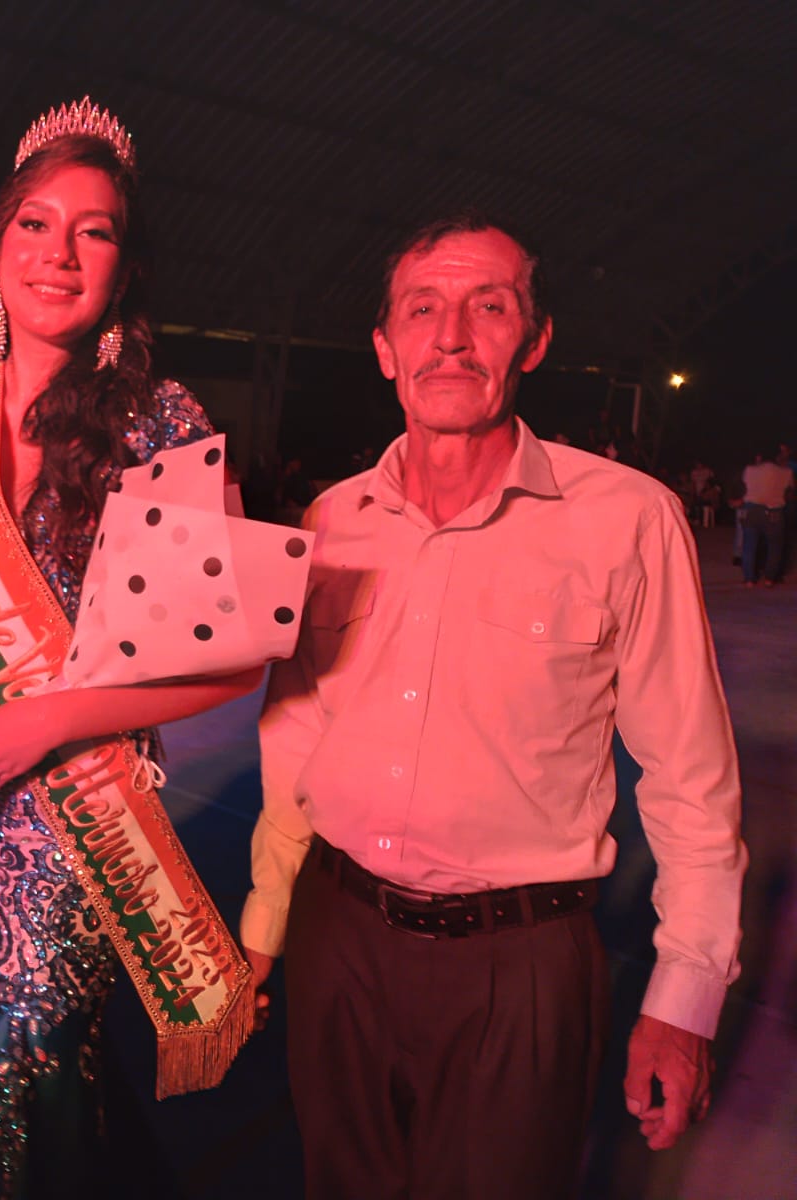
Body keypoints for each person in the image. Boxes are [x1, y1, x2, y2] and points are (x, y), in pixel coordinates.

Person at [241, 215, 746, 1200]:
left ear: (534, 339)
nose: (451, 337)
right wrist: (266, 923)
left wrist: (683, 999)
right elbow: (295, 734)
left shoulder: (627, 520)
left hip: (518, 966)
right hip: (336, 940)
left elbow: (690, 776)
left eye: (490, 307)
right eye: (421, 310)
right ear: (384, 347)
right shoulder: (332, 520)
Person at [0, 99, 260, 1200]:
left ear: (123, 271)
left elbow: (228, 659)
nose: (60, 253)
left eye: (94, 232)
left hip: (69, 811)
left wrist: (44, 719)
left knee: (26, 1065)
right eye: (35, 225)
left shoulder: (161, 422)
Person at [738, 446, 793, 585]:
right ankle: (769, 578)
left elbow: (744, 486)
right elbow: (790, 491)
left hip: (752, 509)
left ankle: (749, 578)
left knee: (749, 546)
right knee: (774, 547)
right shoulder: (786, 472)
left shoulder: (749, 470)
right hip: (774, 511)